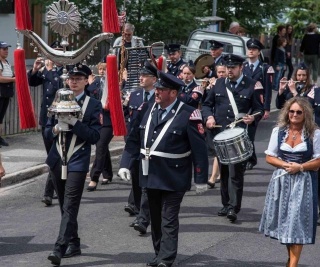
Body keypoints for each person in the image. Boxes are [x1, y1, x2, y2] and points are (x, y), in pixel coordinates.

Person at [119, 71, 208, 267]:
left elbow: (199, 149)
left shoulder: (188, 113)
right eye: (157, 88)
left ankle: (166, 259)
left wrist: (201, 178)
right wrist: (125, 163)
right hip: (150, 173)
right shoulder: (148, 109)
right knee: (156, 218)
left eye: (162, 89)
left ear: (173, 93)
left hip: (174, 175)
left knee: (168, 217)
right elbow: (134, 138)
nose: (157, 92)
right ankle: (159, 253)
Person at [45, 65, 102, 266]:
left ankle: (59, 247)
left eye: (79, 78)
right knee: (63, 205)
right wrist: (54, 130)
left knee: (70, 204)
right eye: (72, 78)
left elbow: (95, 136)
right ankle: (74, 242)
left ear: (87, 81)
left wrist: (74, 123)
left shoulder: (93, 105)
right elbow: (45, 131)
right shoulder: (58, 100)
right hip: (56, 158)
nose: (74, 81)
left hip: (78, 159)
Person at [202, 54, 264, 222]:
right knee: (223, 170)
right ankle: (226, 203)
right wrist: (209, 117)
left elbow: (260, 109)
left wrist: (253, 118)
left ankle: (233, 207)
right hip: (220, 134)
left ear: (240, 68)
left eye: (232, 68)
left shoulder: (251, 85)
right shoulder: (219, 83)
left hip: (238, 136)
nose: (229, 70)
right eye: (227, 68)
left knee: (235, 172)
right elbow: (207, 104)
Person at [259, 97, 320, 267]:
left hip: (303, 183)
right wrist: (286, 165)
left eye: (299, 112)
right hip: (281, 183)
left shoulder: (314, 133)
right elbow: (270, 157)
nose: (294, 114)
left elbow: (318, 161)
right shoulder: (278, 131)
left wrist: (300, 167)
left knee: (297, 223)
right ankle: (290, 260)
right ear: (287, 112)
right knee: (285, 223)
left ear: (305, 114)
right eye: (291, 111)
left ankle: (293, 265)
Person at [120, 60, 157, 235]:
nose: (141, 78)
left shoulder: (160, 96)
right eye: (140, 75)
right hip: (135, 144)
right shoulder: (134, 95)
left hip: (153, 146)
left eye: (145, 76)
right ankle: (136, 209)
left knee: (146, 184)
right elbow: (128, 118)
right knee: (136, 179)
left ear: (154, 79)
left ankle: (143, 218)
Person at [28, 41, 66, 206]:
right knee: (52, 155)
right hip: (47, 119)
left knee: (55, 155)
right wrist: (36, 69)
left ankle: (48, 193)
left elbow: (59, 85)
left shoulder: (66, 70)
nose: (55, 54)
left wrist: (49, 70)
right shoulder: (45, 71)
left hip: (62, 119)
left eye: (58, 51)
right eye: (53, 51)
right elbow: (31, 82)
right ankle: (57, 188)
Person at [243, 38, 274, 170]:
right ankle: (247, 157)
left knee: (250, 133)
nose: (251, 51)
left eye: (254, 49)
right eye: (249, 49)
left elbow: (268, 89)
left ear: (258, 52)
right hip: (244, 103)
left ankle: (251, 159)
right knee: (242, 133)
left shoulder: (264, 68)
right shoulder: (242, 66)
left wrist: (266, 108)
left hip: (257, 105)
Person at [86, 62, 113, 191]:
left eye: (104, 69)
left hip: (109, 120)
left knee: (101, 145)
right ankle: (107, 174)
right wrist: (91, 83)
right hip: (98, 120)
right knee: (102, 147)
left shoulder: (113, 82)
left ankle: (94, 177)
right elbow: (89, 95)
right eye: (100, 69)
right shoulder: (95, 82)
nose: (102, 71)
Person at [205, 63, 227, 188]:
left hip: (227, 123)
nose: (221, 74)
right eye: (219, 72)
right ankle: (216, 175)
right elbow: (207, 103)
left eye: (223, 72)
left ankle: (213, 177)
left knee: (219, 151)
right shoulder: (214, 85)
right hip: (215, 122)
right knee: (216, 151)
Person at [0, 41, 15, 147]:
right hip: (0, 92)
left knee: (1, 118)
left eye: (7, 49)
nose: (6, 51)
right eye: (4, 49)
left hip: (6, 93)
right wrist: (14, 79)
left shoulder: (7, 62)